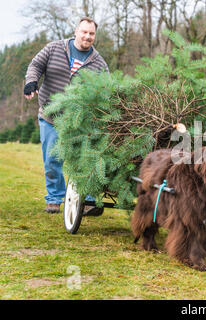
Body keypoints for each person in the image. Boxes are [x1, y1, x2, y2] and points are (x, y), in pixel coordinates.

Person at [24, 17, 109, 214]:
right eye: (84, 32)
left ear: (95, 36)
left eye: (91, 34)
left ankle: (87, 200)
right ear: (76, 31)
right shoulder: (54, 48)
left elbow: (106, 90)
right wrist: (31, 82)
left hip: (80, 122)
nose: (87, 36)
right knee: (53, 159)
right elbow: (35, 66)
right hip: (51, 116)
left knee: (85, 159)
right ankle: (54, 198)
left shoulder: (98, 63)